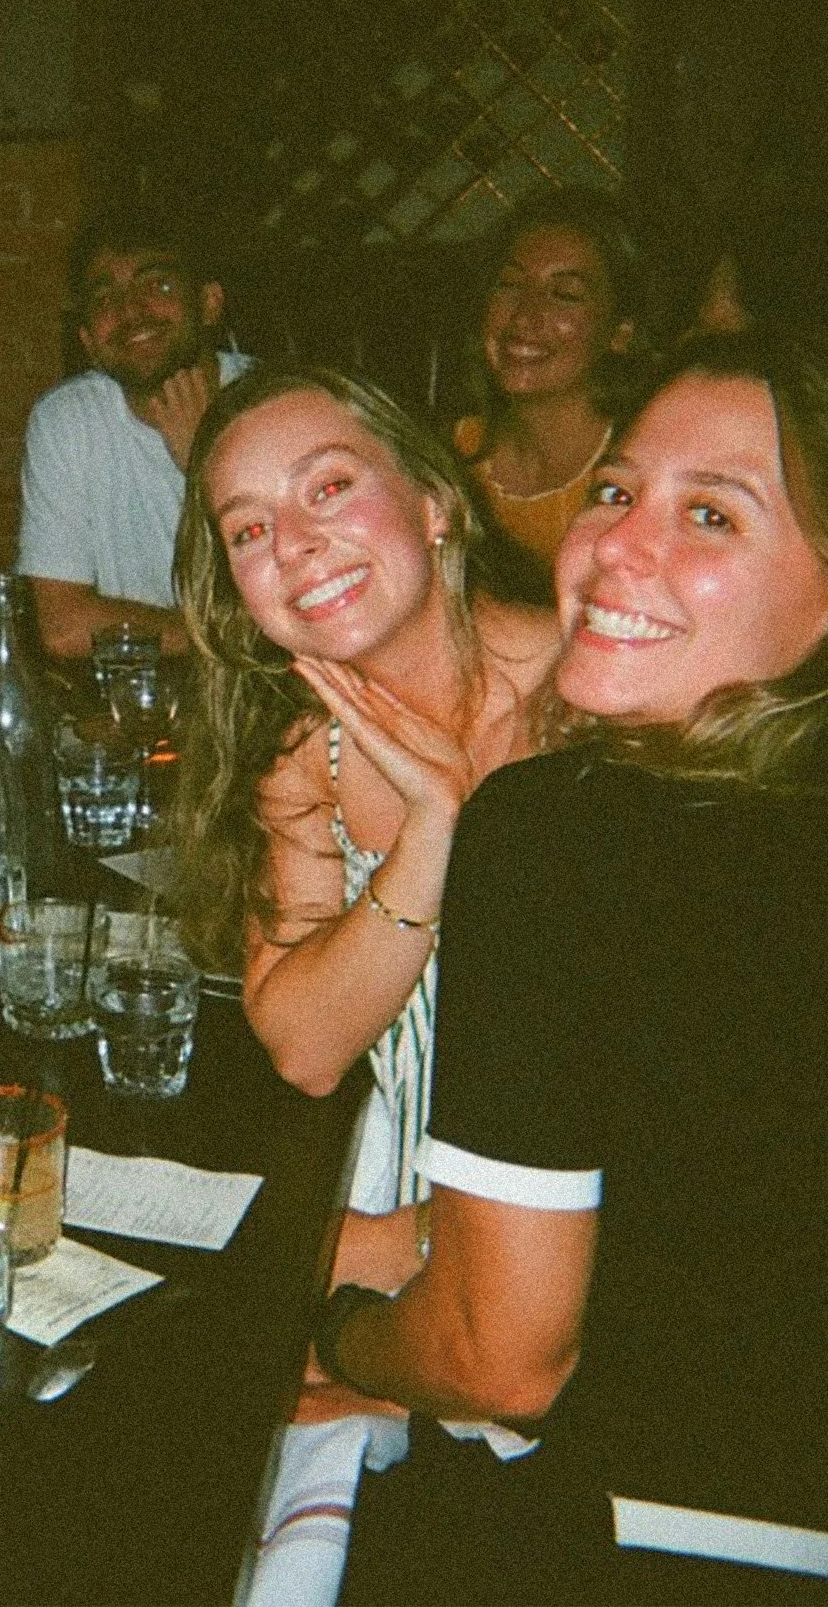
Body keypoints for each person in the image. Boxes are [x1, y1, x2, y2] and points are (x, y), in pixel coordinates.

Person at [320, 330, 828, 1603]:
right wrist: (369, 1252)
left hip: (657, 1543)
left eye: (711, 513)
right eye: (614, 489)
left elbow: (495, 1360)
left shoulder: (560, 828)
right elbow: (712, 1204)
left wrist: (336, 1338)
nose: (617, 547)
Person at [175, 367, 557, 1259]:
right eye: (249, 529)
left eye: (330, 488)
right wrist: (432, 828)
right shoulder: (310, 752)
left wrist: (393, 1247)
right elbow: (307, 1050)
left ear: (435, 504)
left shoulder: (593, 702)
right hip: (424, 1211)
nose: (294, 546)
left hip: (555, 1253)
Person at [18, 207, 255, 658]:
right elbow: (64, 628)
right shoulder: (68, 421)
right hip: (131, 690)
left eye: (157, 285)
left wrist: (203, 463)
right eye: (105, 299)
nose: (131, 311)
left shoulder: (278, 408)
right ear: (87, 339)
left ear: (208, 303)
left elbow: (296, 614)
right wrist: (222, 639)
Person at [452, 188, 652, 599]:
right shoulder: (450, 455)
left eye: (565, 295)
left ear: (620, 332)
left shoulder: (642, 467)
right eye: (508, 285)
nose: (526, 314)